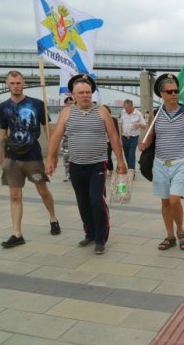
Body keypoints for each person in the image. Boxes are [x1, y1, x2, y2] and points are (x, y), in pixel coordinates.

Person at [45, 74, 127, 255]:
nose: (85, 95)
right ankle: (89, 233)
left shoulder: (102, 112)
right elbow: (56, 136)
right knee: (83, 203)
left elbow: (113, 137)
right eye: (81, 93)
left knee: (97, 201)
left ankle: (100, 238)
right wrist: (50, 158)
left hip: (97, 165)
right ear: (73, 95)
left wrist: (120, 161)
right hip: (76, 166)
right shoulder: (66, 113)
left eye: (88, 92)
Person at [0, 70, 61, 248]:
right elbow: (2, 134)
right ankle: (17, 233)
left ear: (23, 83)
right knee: (15, 196)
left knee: (42, 191)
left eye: (18, 83)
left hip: (33, 157)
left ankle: (53, 218)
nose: (15, 86)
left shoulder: (38, 105)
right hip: (12, 158)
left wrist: (51, 155)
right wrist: (3, 160)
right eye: (12, 83)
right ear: (6, 84)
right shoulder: (2, 108)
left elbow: (48, 131)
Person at [138, 73, 184, 251]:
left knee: (174, 200)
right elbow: (151, 137)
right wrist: (144, 143)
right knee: (165, 201)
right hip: (160, 163)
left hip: (180, 163)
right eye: (170, 92)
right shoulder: (156, 115)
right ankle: (170, 236)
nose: (174, 94)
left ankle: (180, 230)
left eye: (176, 91)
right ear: (161, 94)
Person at [119, 99, 146, 175]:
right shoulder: (123, 112)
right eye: (125, 108)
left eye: (127, 108)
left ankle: (131, 172)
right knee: (126, 154)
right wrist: (119, 137)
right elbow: (121, 124)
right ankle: (130, 168)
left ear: (131, 106)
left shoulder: (138, 114)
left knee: (131, 154)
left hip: (133, 137)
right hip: (124, 137)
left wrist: (139, 124)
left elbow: (144, 126)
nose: (126, 110)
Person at [60, 96, 74, 181]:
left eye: (71, 103)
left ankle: (74, 175)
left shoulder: (78, 112)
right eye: (67, 103)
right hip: (66, 140)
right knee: (66, 159)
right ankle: (68, 175)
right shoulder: (62, 113)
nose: (69, 104)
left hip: (76, 139)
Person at [103, 105, 119, 175]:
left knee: (108, 155)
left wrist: (117, 141)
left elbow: (117, 132)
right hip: (102, 141)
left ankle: (110, 170)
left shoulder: (114, 119)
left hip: (110, 141)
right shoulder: (100, 119)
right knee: (105, 156)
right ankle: (107, 170)